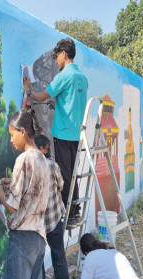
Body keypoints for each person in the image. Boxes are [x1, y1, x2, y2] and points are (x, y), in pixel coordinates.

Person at [0, 109, 49, 279]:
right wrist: (11, 184)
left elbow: (12, 206)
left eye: (12, 134)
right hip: (39, 238)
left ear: (23, 132)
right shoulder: (42, 157)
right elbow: (32, 194)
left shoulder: (23, 159)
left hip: (22, 239)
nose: (11, 140)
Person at [23, 38, 88, 228]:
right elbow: (72, 101)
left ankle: (67, 214)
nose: (56, 61)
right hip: (77, 134)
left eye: (57, 57)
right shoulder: (81, 78)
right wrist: (57, 103)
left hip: (63, 134)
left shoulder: (63, 76)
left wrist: (28, 91)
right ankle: (75, 211)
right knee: (73, 174)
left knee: (64, 175)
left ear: (64, 54)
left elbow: (42, 95)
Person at [34, 134, 70, 279]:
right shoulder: (52, 165)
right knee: (59, 256)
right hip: (55, 219)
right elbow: (61, 185)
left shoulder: (28, 167)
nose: (48, 150)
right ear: (41, 149)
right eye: (46, 147)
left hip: (38, 224)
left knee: (38, 260)